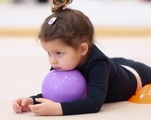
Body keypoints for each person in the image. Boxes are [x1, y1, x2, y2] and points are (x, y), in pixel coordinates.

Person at [12, 0, 151, 116]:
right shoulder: (62, 62)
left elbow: (94, 102)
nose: (52, 60)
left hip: (136, 74)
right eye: (48, 53)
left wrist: (58, 109)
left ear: (82, 49)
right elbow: (58, 92)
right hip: (113, 66)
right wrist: (32, 101)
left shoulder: (98, 64)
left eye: (58, 53)